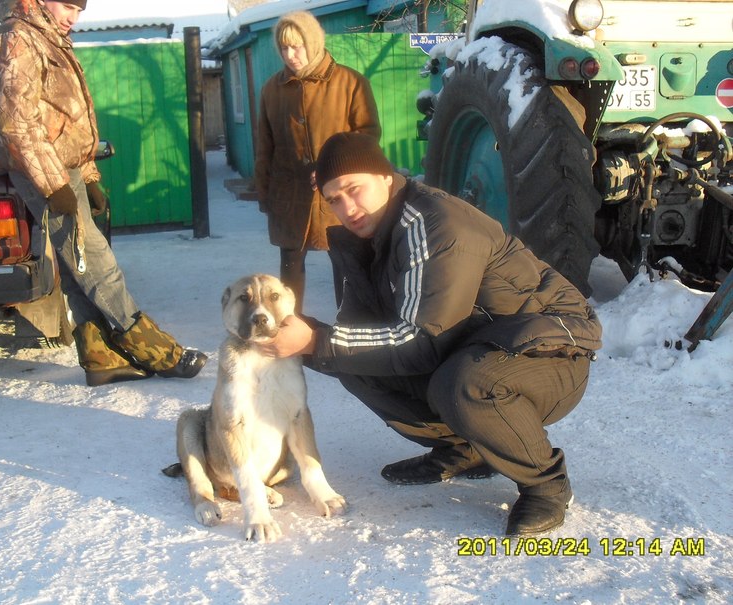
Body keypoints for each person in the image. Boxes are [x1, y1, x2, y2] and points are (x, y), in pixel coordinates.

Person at [258, 132, 603, 536]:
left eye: (355, 190)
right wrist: (312, 343)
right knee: (353, 362)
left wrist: (317, 340)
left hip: (552, 351)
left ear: (386, 177)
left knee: (465, 384)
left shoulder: (434, 223)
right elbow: (362, 332)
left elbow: (421, 341)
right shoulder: (365, 239)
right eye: (334, 199)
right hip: (476, 345)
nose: (347, 208)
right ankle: (466, 450)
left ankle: (547, 485)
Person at [0, 0, 207, 387]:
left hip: (60, 169)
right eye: (67, 5)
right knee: (95, 259)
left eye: (78, 9)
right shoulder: (14, 40)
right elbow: (16, 124)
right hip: (41, 170)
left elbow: (67, 120)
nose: (73, 17)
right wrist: (53, 185)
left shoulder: (48, 39)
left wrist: (86, 176)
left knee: (76, 264)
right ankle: (153, 348)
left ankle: (100, 356)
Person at [254, 10, 381, 314]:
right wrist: (265, 192)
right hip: (289, 194)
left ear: (312, 42)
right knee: (290, 267)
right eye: (284, 48)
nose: (290, 55)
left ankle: (350, 326)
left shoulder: (350, 82)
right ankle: (288, 326)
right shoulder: (272, 89)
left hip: (340, 194)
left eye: (297, 46)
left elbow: (367, 135)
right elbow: (264, 146)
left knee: (345, 262)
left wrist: (333, 167)